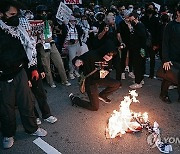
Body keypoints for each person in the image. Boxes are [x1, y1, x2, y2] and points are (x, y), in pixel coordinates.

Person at [0, 0, 47, 149]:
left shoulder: (18, 28)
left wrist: (32, 68)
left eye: (17, 14)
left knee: (26, 103)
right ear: (1, 14)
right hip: (3, 77)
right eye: (11, 14)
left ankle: (32, 128)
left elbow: (28, 48)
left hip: (20, 72)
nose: (15, 17)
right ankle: (8, 134)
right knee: (6, 108)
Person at [69, 41, 121, 111]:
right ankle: (75, 100)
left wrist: (107, 71)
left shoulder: (110, 58)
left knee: (117, 84)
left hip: (101, 78)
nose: (109, 57)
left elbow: (109, 67)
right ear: (104, 51)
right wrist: (77, 61)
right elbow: (77, 59)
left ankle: (102, 95)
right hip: (90, 81)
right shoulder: (92, 54)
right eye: (108, 55)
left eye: (111, 56)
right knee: (94, 107)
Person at [159, 5, 180, 103]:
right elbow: (165, 43)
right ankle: (163, 94)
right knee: (168, 78)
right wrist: (166, 59)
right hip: (171, 57)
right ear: (178, 13)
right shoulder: (170, 25)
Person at [128, 12, 147, 89]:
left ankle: (138, 82)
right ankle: (140, 79)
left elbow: (142, 38)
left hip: (139, 49)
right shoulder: (139, 26)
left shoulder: (139, 26)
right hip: (139, 49)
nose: (131, 22)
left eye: (132, 20)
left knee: (138, 65)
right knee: (140, 65)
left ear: (136, 19)